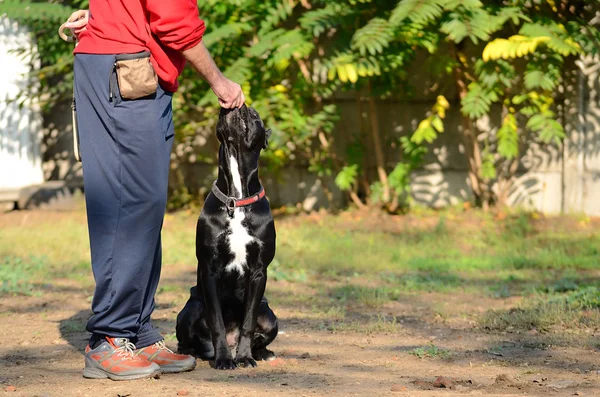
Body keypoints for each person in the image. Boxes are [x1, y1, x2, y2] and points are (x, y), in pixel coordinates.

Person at [63, 1, 245, 381]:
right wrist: (220, 82)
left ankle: (136, 332)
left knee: (145, 205)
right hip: (124, 69)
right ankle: (109, 337)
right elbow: (175, 21)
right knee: (127, 204)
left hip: (134, 67)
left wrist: (102, 15)